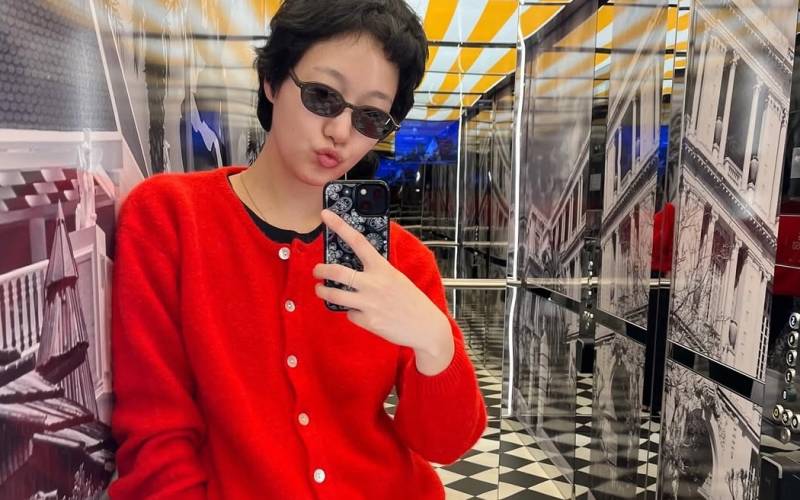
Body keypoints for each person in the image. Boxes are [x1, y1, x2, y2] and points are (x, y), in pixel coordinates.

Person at [108, 1, 488, 499]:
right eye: (323, 96)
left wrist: (435, 343)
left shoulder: (403, 260)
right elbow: (156, 437)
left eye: (371, 117)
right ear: (272, 80)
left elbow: (444, 443)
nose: (341, 132)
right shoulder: (171, 218)